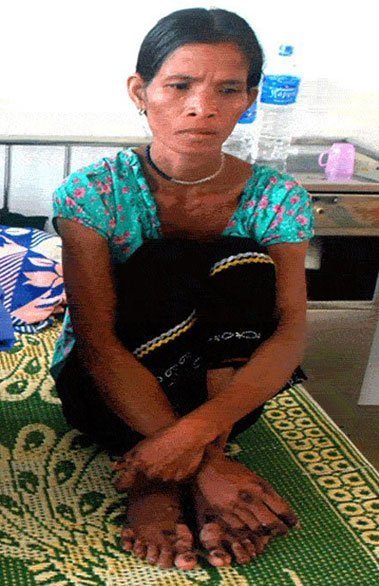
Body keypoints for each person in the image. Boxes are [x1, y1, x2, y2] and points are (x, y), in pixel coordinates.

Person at [50, 7, 315, 571]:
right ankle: (181, 481)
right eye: (180, 86)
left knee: (242, 262)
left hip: (224, 401)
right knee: (165, 260)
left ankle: (166, 474)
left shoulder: (278, 198)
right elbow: (96, 341)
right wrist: (211, 467)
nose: (203, 106)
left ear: (249, 99)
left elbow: (291, 330)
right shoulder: (93, 194)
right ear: (140, 92)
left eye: (228, 89)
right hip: (106, 394)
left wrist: (196, 431)